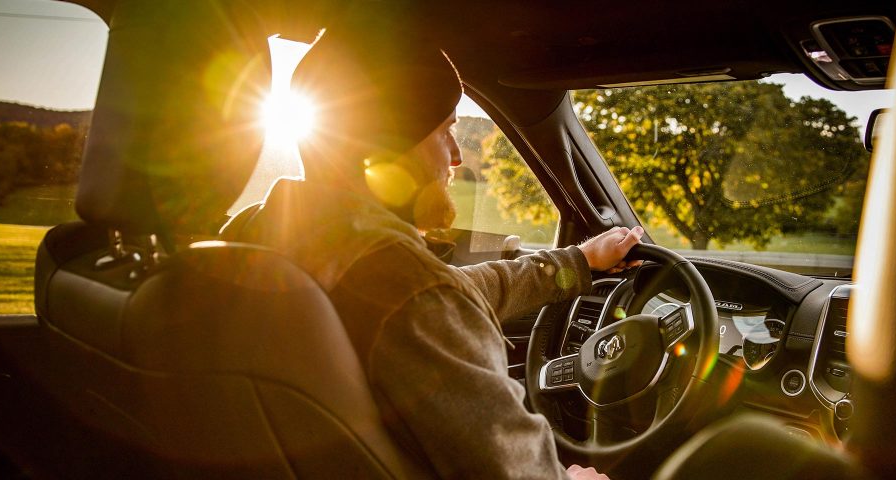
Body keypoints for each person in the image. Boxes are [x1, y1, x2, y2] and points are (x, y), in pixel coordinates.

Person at [225, 10, 635, 480]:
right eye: (445, 132)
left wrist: (576, 263)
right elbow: (516, 471)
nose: (457, 157)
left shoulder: (258, 234)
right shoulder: (410, 292)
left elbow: (448, 292)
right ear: (387, 147)